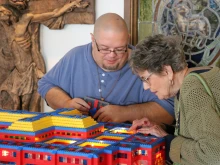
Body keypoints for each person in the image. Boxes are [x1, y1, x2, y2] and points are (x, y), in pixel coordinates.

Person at [38, 13, 174, 124]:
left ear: (128, 39)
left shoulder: (145, 64)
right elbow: (46, 85)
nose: (112, 55)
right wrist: (66, 104)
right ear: (93, 40)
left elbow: (170, 111)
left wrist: (125, 113)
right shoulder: (75, 57)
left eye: (120, 49)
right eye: (104, 48)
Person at [128, 34, 220, 164]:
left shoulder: (192, 88)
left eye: (146, 79)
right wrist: (160, 128)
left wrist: (167, 141)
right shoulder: (204, 73)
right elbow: (199, 130)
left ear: (167, 71)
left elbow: (213, 154)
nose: (145, 87)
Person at [0, 1, 88, 111]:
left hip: (28, 70)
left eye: (2, 12)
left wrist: (72, 4)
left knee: (24, 106)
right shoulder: (7, 27)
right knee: (15, 103)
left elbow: (54, 14)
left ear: (10, 12)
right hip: (17, 72)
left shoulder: (26, 18)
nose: (1, 15)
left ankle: (26, 124)